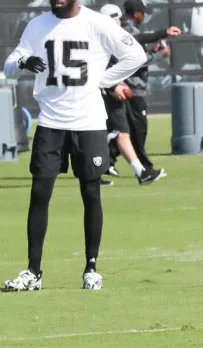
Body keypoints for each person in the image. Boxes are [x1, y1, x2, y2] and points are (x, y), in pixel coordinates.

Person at [3, 0, 146, 291]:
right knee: (39, 193)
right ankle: (33, 271)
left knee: (91, 192)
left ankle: (91, 267)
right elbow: (8, 66)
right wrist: (23, 62)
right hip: (50, 123)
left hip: (89, 122)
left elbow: (136, 55)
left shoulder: (98, 23)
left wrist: (103, 81)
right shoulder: (37, 25)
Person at [99, 3, 167, 185]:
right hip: (108, 90)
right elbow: (99, 66)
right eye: (117, 19)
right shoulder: (104, 38)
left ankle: (139, 172)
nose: (120, 22)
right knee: (108, 133)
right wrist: (114, 86)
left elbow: (137, 43)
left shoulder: (112, 37)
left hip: (114, 88)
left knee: (121, 132)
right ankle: (137, 169)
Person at [121, 0, 182, 169]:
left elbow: (138, 47)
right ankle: (144, 167)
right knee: (138, 129)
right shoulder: (127, 29)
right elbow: (136, 59)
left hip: (131, 87)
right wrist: (160, 54)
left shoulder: (128, 28)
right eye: (143, 13)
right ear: (135, 13)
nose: (144, 16)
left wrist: (152, 51)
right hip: (132, 88)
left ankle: (111, 164)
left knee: (126, 129)